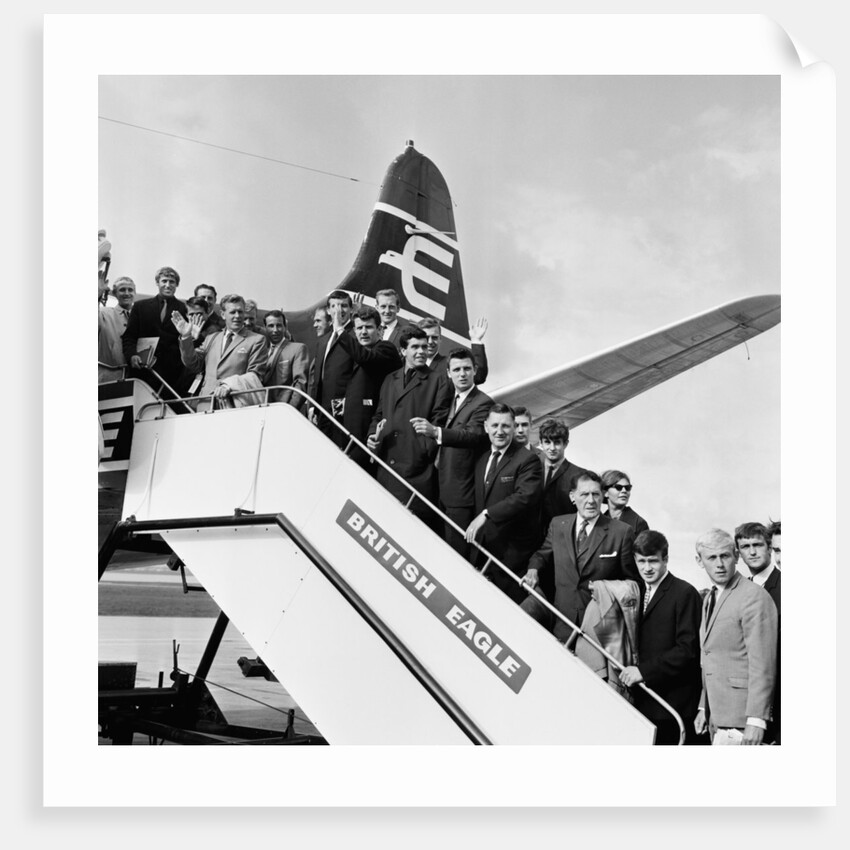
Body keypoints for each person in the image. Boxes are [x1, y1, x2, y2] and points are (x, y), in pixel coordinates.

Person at [520, 471, 638, 642]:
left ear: (602, 496)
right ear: (572, 497)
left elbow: (633, 584)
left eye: (596, 494)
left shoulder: (621, 532)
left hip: (600, 632)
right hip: (562, 624)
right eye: (584, 494)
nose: (591, 500)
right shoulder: (558, 524)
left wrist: (605, 587)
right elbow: (542, 554)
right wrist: (533, 569)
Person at [694, 528, 778, 746]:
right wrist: (704, 707)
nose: (719, 564)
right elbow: (711, 657)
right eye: (712, 557)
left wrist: (757, 719)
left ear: (736, 557)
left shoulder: (754, 596)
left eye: (725, 556)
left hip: (744, 719)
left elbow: (763, 663)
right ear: (699, 561)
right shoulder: (709, 598)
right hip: (717, 716)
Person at [618, 530, 702, 745]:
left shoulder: (685, 593)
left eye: (653, 561)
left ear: (665, 559)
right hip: (644, 701)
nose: (647, 568)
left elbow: (687, 651)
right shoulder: (635, 592)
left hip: (673, 705)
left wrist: (643, 672)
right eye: (641, 561)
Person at [367, 327, 453, 529]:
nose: (422, 351)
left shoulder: (439, 380)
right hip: (387, 466)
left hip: (417, 471)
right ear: (403, 351)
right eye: (415, 347)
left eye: (424, 347)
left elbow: (439, 421)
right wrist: (372, 436)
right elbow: (379, 414)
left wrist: (422, 450)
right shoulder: (390, 379)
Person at [411, 348, 492, 556]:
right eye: (456, 370)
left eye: (467, 369)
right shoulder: (447, 399)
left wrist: (435, 431)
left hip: (460, 494)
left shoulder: (483, 403)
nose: (462, 374)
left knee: (456, 553)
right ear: (448, 373)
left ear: (475, 371)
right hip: (437, 486)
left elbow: (471, 435)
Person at [465, 403, 543, 603]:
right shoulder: (482, 459)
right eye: (495, 426)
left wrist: (486, 514)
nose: (500, 432)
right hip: (482, 551)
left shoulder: (528, 459)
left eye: (506, 426)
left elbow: (523, 497)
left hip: (512, 557)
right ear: (486, 427)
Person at [333, 305, 401, 466]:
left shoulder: (386, 348)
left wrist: (340, 330)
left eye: (369, 327)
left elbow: (366, 358)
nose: (363, 332)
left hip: (371, 427)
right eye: (359, 328)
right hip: (350, 425)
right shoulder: (358, 351)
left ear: (380, 330)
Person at [173, 294, 268, 406]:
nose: (237, 316)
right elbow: (193, 364)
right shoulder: (212, 337)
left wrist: (229, 385)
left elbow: (255, 375)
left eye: (240, 312)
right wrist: (186, 337)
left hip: (234, 404)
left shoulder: (257, 340)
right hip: (206, 403)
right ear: (223, 314)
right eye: (232, 312)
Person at [736, 520, 781, 745]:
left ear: (769, 548)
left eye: (758, 545)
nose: (752, 552)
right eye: (745, 547)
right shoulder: (741, 590)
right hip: (746, 702)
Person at [122, 266, 188, 394]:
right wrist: (132, 355)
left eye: (172, 282)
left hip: (172, 377)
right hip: (142, 372)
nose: (168, 285)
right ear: (157, 283)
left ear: (176, 285)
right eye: (164, 281)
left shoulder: (184, 309)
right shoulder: (140, 306)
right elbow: (129, 337)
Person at [309, 290, 356, 446]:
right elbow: (318, 376)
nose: (339, 310)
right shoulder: (323, 340)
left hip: (344, 411)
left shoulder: (356, 336)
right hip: (322, 411)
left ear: (351, 309)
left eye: (344, 306)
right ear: (328, 311)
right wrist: (313, 407)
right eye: (334, 306)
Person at [419, 316, 490, 385]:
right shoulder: (410, 366)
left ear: (440, 339)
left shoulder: (449, 364)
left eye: (434, 338)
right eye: (426, 338)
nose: (430, 342)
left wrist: (476, 340)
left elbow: (478, 376)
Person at [261, 310, 310, 406]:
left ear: (285, 327)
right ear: (265, 328)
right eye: (271, 326)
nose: (275, 330)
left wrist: (290, 410)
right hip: (263, 409)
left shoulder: (297, 349)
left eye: (279, 325)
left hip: (285, 410)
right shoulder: (262, 352)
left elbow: (301, 384)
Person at [98, 276, 135, 381]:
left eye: (130, 290)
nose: (127, 293)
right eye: (122, 290)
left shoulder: (142, 316)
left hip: (134, 378)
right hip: (107, 377)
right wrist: (97, 294)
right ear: (115, 294)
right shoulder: (103, 313)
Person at [601, 469, 649, 534]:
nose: (624, 491)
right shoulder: (599, 523)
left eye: (627, 488)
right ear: (605, 492)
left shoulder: (639, 524)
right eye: (618, 487)